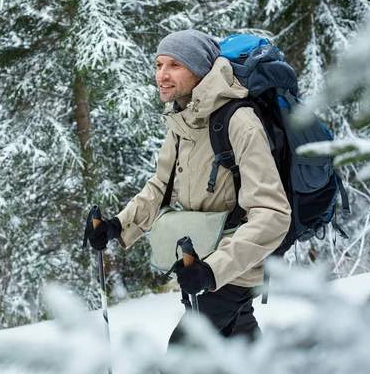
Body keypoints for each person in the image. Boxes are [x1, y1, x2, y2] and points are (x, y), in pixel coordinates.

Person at [88, 29, 291, 343]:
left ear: (199, 70)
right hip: (200, 267)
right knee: (245, 355)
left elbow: (273, 213)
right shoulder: (182, 120)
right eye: (158, 65)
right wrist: (117, 225)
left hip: (228, 270)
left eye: (174, 65)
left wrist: (212, 271)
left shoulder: (239, 121)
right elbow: (160, 186)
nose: (162, 75)